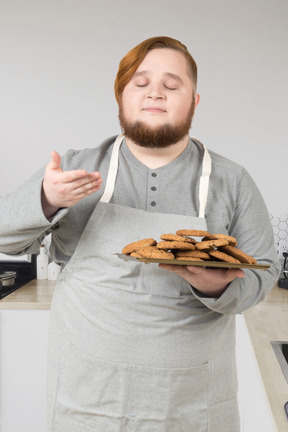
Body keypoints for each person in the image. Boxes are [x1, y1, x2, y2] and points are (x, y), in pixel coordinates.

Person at [0, 36, 280, 431]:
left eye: (171, 85)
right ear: (121, 97)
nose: (155, 94)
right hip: (87, 405)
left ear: (194, 102)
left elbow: (263, 273)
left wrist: (217, 288)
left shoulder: (232, 182)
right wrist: (46, 199)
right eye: (140, 83)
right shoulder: (78, 169)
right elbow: (4, 239)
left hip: (193, 407)